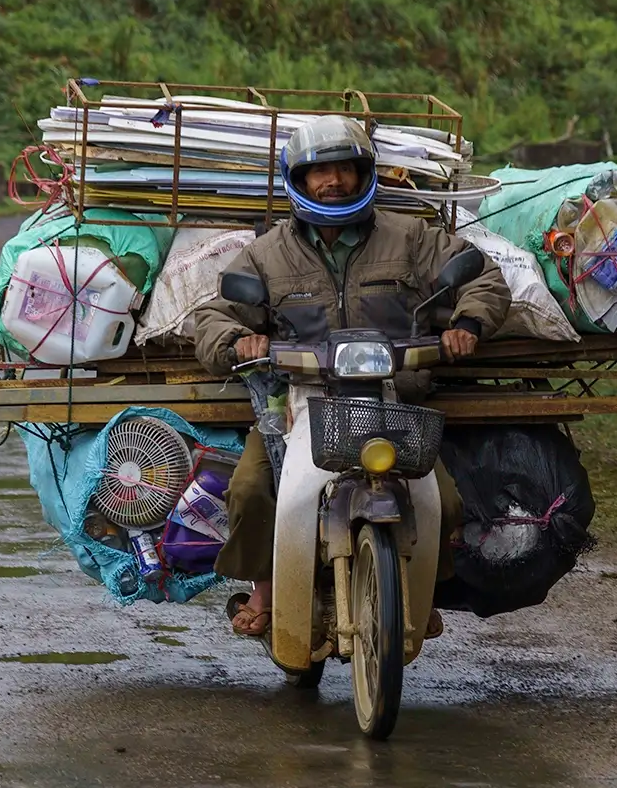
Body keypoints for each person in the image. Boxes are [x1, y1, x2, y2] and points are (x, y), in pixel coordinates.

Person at [193, 113, 510, 638]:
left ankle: (418, 588)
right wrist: (237, 341)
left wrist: (468, 324)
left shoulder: (410, 237)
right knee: (251, 491)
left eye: (344, 170)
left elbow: (484, 278)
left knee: (446, 502)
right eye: (319, 173)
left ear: (365, 176)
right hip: (297, 403)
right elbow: (214, 314)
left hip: (394, 400)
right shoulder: (267, 252)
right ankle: (265, 590)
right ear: (297, 180)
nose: (332, 182)